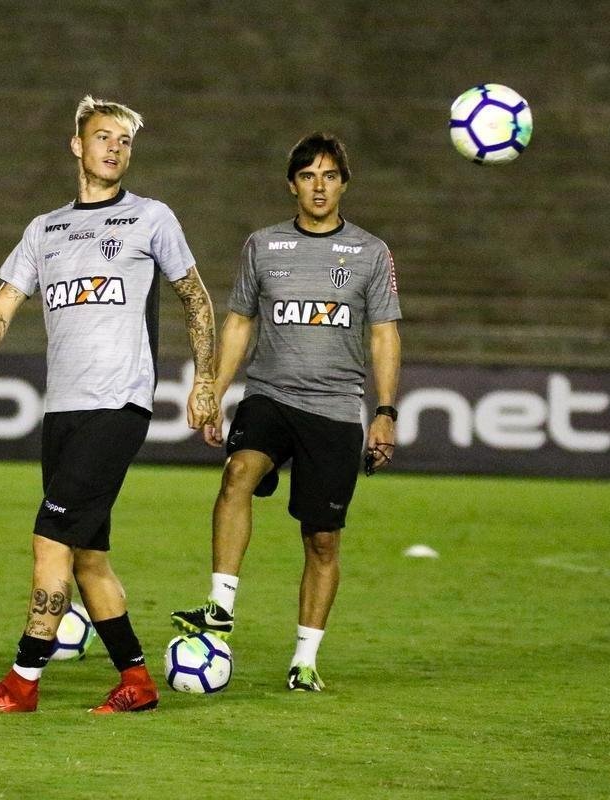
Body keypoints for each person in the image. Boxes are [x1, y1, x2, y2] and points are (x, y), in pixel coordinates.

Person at [0, 95, 218, 713]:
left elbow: (196, 299)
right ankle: (137, 682)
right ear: (78, 145)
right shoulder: (45, 229)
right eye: (104, 137)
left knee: (50, 541)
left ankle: (21, 682)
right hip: (62, 410)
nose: (116, 148)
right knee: (90, 557)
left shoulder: (151, 218)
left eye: (125, 140)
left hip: (117, 404)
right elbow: (4, 306)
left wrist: (204, 383)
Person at [171, 132, 402, 692]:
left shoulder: (371, 253)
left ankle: (305, 661)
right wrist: (212, 389)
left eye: (328, 176)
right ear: (292, 185)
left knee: (322, 541)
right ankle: (220, 606)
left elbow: (384, 335)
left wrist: (386, 411)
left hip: (336, 409)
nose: (318, 187)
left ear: (344, 183)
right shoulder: (263, 246)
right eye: (307, 176)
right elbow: (240, 323)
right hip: (270, 395)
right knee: (237, 474)